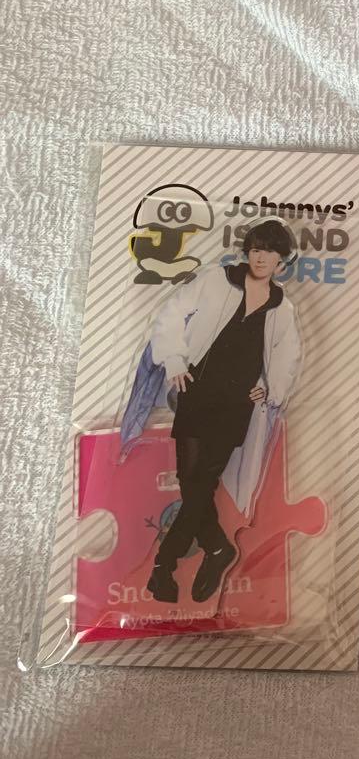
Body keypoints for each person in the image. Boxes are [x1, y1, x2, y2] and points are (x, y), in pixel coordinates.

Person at [121, 219, 302, 604]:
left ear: (281, 259)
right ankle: (217, 548)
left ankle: (163, 566)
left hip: (237, 405)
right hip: (197, 391)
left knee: (201, 482)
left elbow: (288, 354)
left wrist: (271, 387)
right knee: (193, 481)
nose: (261, 257)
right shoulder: (216, 280)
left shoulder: (281, 307)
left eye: (270, 251)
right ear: (248, 251)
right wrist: (174, 359)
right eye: (256, 249)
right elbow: (172, 313)